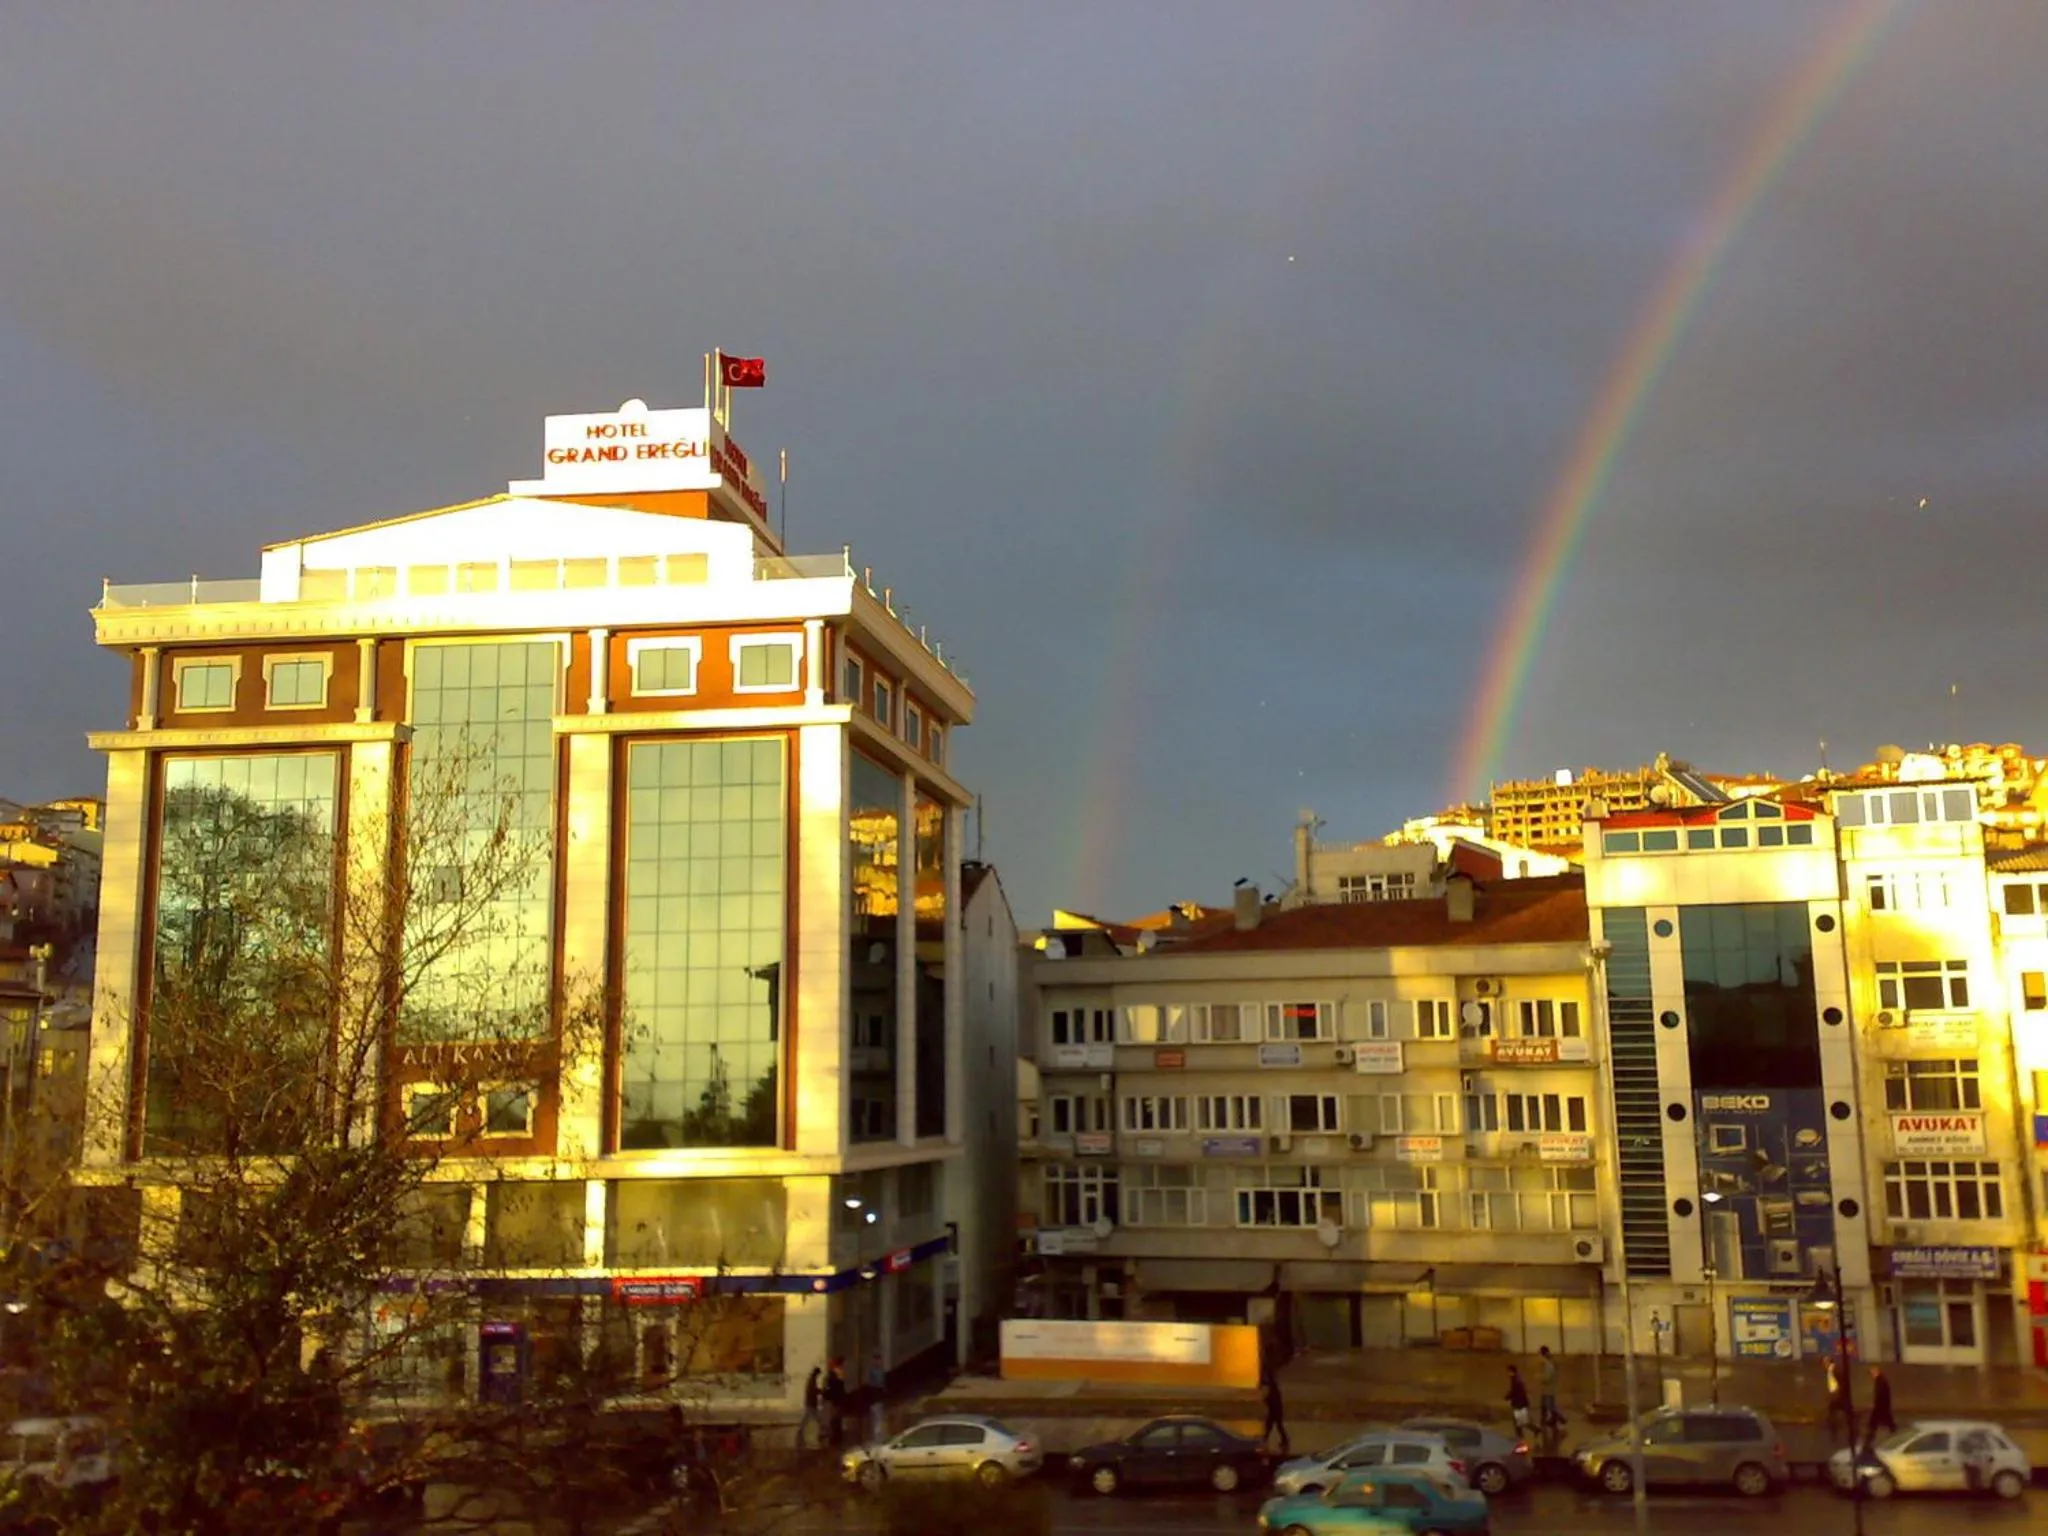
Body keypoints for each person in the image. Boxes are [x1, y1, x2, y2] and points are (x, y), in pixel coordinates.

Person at [1824, 1354, 1853, 1445]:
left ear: (1829, 1362)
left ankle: (1845, 1433)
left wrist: (1838, 1393)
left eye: (1825, 1362)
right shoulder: (1830, 1370)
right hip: (1837, 1396)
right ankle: (1835, 1431)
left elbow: (1842, 1382)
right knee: (1836, 1412)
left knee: (1841, 1413)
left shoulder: (1835, 1370)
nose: (1824, 1364)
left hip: (1839, 1396)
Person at [1865, 1365, 1895, 1445]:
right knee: (1885, 1421)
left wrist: (1877, 1405)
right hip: (1882, 1406)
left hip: (1881, 1406)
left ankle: (1869, 1439)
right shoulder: (1880, 1380)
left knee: (1874, 1423)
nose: (1872, 1375)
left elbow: (1880, 1394)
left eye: (1872, 1373)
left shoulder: (1881, 1381)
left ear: (1877, 1372)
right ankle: (1870, 1437)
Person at [1537, 1345, 1564, 1433]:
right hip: (1549, 1388)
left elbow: (1547, 1377)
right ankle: (1551, 1421)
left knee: (1548, 1405)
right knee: (1547, 1405)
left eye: (1540, 1354)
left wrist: (1539, 1377)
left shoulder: (1549, 1364)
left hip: (1548, 1388)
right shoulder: (1550, 1362)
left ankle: (1560, 1419)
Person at [1261, 1373, 1290, 1456]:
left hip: (1275, 1410)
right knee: (1275, 1426)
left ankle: (1264, 1441)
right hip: (1276, 1410)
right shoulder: (1274, 1389)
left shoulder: (1273, 1390)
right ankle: (1284, 1441)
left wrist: (1265, 1400)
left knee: (1271, 1426)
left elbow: (1272, 1400)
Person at [822, 1358, 848, 1449]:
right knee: (835, 1421)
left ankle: (836, 1439)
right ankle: (836, 1439)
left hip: (836, 1402)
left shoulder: (833, 1377)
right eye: (839, 1368)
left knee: (836, 1421)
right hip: (836, 1402)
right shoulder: (833, 1378)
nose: (841, 1369)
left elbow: (829, 1390)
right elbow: (836, 1390)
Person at [797, 1364, 823, 1450]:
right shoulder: (812, 1380)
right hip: (811, 1403)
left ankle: (800, 1431)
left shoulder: (811, 1380)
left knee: (807, 1417)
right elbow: (813, 1391)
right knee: (815, 1417)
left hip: (810, 1403)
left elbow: (812, 1391)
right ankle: (822, 1430)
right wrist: (820, 1391)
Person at [865, 1352, 888, 1444]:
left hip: (877, 1399)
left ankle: (878, 1438)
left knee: (878, 1419)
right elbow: (876, 1384)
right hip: (875, 1399)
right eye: (877, 1360)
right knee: (877, 1419)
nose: (879, 1362)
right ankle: (877, 1439)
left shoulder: (879, 1371)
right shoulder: (874, 1371)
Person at [1506, 1364, 1531, 1433]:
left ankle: (1520, 1435)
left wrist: (1507, 1397)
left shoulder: (1516, 1380)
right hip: (1522, 1402)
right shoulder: (1517, 1378)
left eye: (1509, 1372)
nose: (1508, 1373)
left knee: (1518, 1420)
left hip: (1519, 1403)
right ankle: (1535, 1430)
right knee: (1521, 1421)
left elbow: (1515, 1391)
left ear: (1512, 1371)